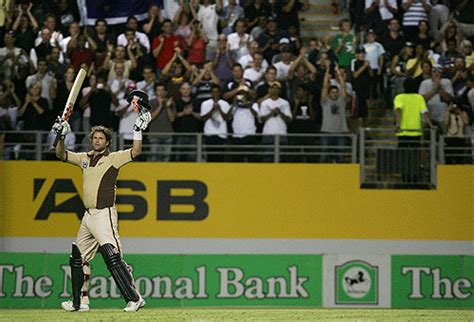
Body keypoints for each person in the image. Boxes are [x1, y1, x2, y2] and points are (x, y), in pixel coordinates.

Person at [53, 92, 152, 312]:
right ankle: (80, 303)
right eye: (94, 137)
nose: (97, 140)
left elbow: (136, 151)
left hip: (104, 213)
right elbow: (60, 155)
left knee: (112, 256)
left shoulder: (113, 158)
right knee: (77, 258)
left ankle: (134, 298)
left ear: (107, 142)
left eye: (101, 138)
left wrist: (137, 131)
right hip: (87, 216)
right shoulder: (84, 159)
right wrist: (60, 136)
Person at [394, 77, 436, 181]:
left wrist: (398, 125)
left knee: (403, 156)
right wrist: (431, 125)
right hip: (416, 132)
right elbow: (425, 112)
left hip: (403, 132)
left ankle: (404, 177)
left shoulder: (399, 97)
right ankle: (414, 177)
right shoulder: (419, 98)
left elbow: (398, 110)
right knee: (415, 156)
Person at [319, 65, 349, 163]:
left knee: (340, 157)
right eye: (332, 92)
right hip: (326, 131)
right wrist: (328, 69)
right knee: (323, 156)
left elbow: (343, 86)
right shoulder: (325, 101)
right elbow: (324, 86)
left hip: (340, 132)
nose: (335, 94)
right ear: (329, 93)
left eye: (336, 92)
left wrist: (338, 72)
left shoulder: (342, 101)